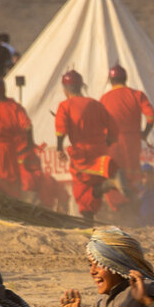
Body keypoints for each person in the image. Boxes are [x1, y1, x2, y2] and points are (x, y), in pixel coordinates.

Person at [55, 69, 118, 222]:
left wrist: (58, 148)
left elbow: (60, 130)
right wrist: (108, 141)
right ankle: (91, 213)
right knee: (94, 184)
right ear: (81, 86)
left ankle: (88, 214)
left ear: (64, 90)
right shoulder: (95, 104)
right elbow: (113, 126)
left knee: (81, 187)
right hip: (100, 149)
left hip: (82, 152)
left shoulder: (65, 106)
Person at [99, 64, 154, 194]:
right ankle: (134, 204)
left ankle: (117, 207)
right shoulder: (137, 95)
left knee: (115, 175)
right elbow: (151, 116)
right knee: (133, 176)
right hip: (132, 141)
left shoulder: (104, 99)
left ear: (110, 81)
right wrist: (145, 133)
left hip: (112, 143)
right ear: (125, 78)